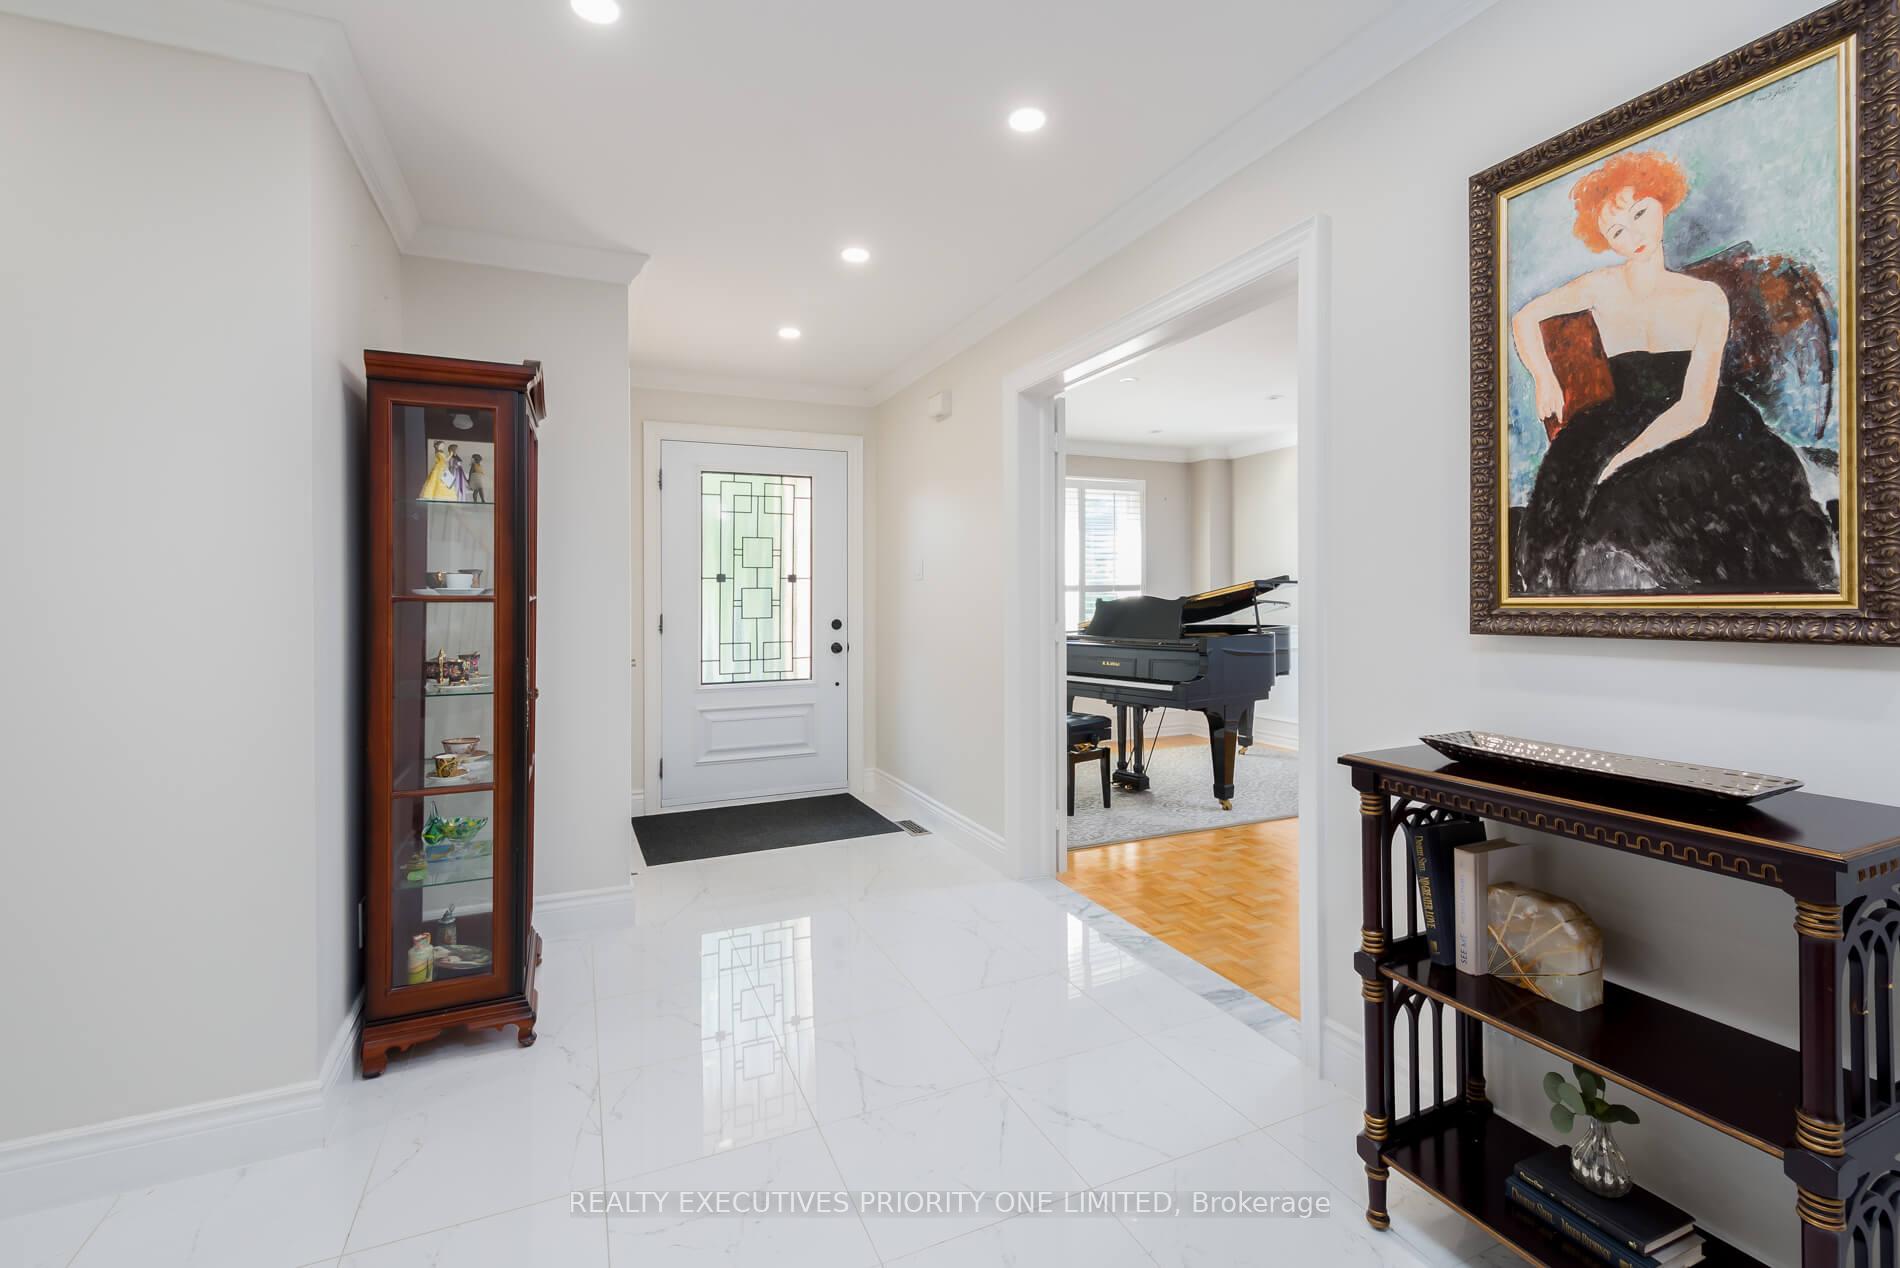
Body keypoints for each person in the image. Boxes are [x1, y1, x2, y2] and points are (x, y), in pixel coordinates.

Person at [1510, 149, 1835, 596]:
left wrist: (1621, 461)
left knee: (1639, 508)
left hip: (1700, 423)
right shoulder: (1600, 286)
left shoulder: (1706, 298)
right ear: (1607, 241)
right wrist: (1543, 376)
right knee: (1564, 515)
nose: (1634, 234)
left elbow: (1694, 409)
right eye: (1617, 231)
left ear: (1662, 202)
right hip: (1616, 417)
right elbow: (1525, 317)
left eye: (1640, 213)